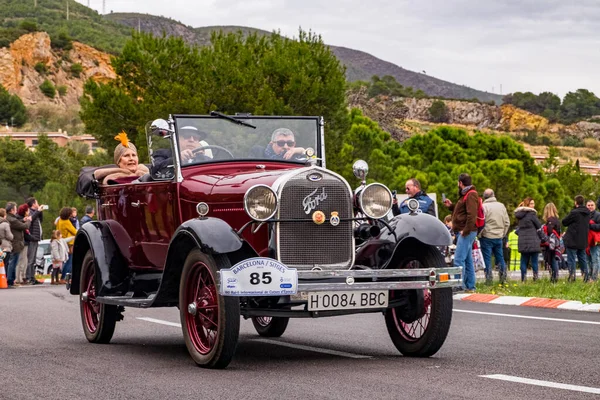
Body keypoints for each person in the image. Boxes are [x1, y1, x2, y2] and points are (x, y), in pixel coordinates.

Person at [443, 173, 479, 292]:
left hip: (466, 231)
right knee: (467, 260)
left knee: (458, 259)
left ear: (460, 183)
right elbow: (463, 212)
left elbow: (472, 215)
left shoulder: (470, 195)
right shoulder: (466, 195)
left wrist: (466, 230)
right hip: (466, 231)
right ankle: (470, 286)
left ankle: (459, 285)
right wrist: (451, 206)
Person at [479, 189, 510, 284]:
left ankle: (489, 280)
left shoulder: (483, 207)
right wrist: (502, 234)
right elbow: (507, 222)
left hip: (487, 236)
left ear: (484, 196)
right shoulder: (501, 206)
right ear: (493, 195)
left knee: (487, 259)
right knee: (500, 257)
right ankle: (503, 278)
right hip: (499, 236)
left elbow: (481, 222)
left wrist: (480, 234)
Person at [562, 195, 590, 282]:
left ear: (576, 202)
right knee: (582, 259)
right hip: (583, 240)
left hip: (572, 239)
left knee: (571, 259)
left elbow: (564, 222)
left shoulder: (574, 212)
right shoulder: (587, 213)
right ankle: (586, 278)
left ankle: (572, 277)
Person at [514, 197, 542, 282]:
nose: (533, 205)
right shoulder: (532, 214)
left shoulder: (520, 216)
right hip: (533, 241)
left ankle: (523, 279)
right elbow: (539, 225)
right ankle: (535, 278)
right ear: (527, 205)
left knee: (523, 261)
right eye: (531, 204)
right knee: (534, 261)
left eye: (533, 203)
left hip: (523, 241)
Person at [5, 202, 31, 287]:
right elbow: (24, 226)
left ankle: (11, 280)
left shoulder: (10, 218)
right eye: (15, 209)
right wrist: (28, 221)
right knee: (13, 262)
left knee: (13, 262)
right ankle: (10, 280)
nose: (16, 210)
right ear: (12, 210)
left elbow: (18, 222)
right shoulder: (12, 220)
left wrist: (22, 220)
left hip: (14, 243)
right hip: (15, 243)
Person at [25, 197, 46, 285]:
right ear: (33, 204)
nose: (38, 204)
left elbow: (40, 220)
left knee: (33, 260)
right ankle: (29, 277)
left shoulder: (36, 212)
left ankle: (33, 277)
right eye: (36, 202)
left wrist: (40, 212)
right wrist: (38, 211)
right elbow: (31, 219)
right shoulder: (29, 212)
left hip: (36, 238)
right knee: (30, 259)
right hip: (32, 238)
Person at [57, 207, 78, 282]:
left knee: (65, 260)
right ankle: (63, 277)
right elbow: (74, 231)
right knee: (70, 261)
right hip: (69, 243)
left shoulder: (59, 220)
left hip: (62, 241)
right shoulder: (66, 222)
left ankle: (62, 277)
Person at [542, 202, 561, 283]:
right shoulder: (557, 220)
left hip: (550, 243)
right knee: (554, 259)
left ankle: (554, 278)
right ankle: (554, 277)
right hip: (556, 242)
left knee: (552, 260)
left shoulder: (550, 220)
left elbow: (549, 231)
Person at [15, 204, 30, 285]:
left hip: (25, 242)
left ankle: (22, 276)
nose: (29, 212)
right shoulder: (19, 220)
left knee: (25, 260)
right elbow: (25, 228)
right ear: (24, 212)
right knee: (21, 260)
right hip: (21, 242)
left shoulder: (21, 219)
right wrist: (28, 220)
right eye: (27, 210)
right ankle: (19, 278)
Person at [586, 200, 600, 282]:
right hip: (587, 241)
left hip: (596, 240)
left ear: (594, 206)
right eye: (588, 205)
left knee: (596, 259)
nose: (590, 206)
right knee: (588, 260)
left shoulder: (598, 215)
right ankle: (589, 277)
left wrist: (590, 225)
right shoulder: (584, 215)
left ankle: (594, 278)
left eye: (592, 205)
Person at [0, 208, 14, 280]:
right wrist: (12, 237)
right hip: (5, 246)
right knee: (5, 264)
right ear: (4, 215)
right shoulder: (5, 224)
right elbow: (10, 236)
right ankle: (4, 280)